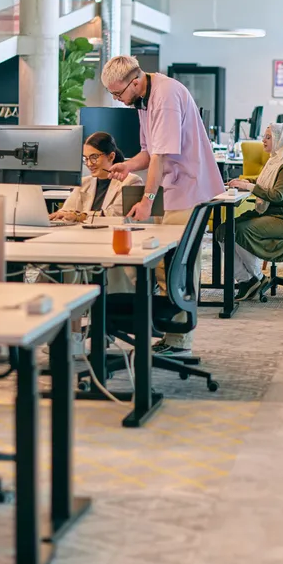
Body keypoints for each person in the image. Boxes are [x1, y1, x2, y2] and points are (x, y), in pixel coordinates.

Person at [101, 55, 225, 358]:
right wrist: (128, 165)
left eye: (118, 94)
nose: (118, 100)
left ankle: (180, 338)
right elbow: (148, 152)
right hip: (173, 188)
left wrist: (147, 200)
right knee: (160, 260)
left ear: (135, 81)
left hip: (189, 189)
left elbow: (162, 158)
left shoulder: (165, 97)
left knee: (178, 264)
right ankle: (164, 329)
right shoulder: (144, 100)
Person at [222, 122, 283, 301]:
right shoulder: (274, 161)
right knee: (224, 230)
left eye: (269, 137)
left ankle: (256, 278)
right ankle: (247, 280)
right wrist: (243, 181)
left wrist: (248, 186)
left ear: (281, 140)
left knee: (239, 231)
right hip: (269, 214)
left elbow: (276, 195)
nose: (263, 140)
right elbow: (263, 181)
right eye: (264, 136)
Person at [50, 131, 143, 222]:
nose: (89, 164)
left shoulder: (131, 181)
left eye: (94, 157)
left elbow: (114, 215)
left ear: (111, 156)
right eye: (85, 158)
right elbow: (66, 210)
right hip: (83, 234)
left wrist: (79, 216)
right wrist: (59, 215)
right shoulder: (84, 182)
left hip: (113, 234)